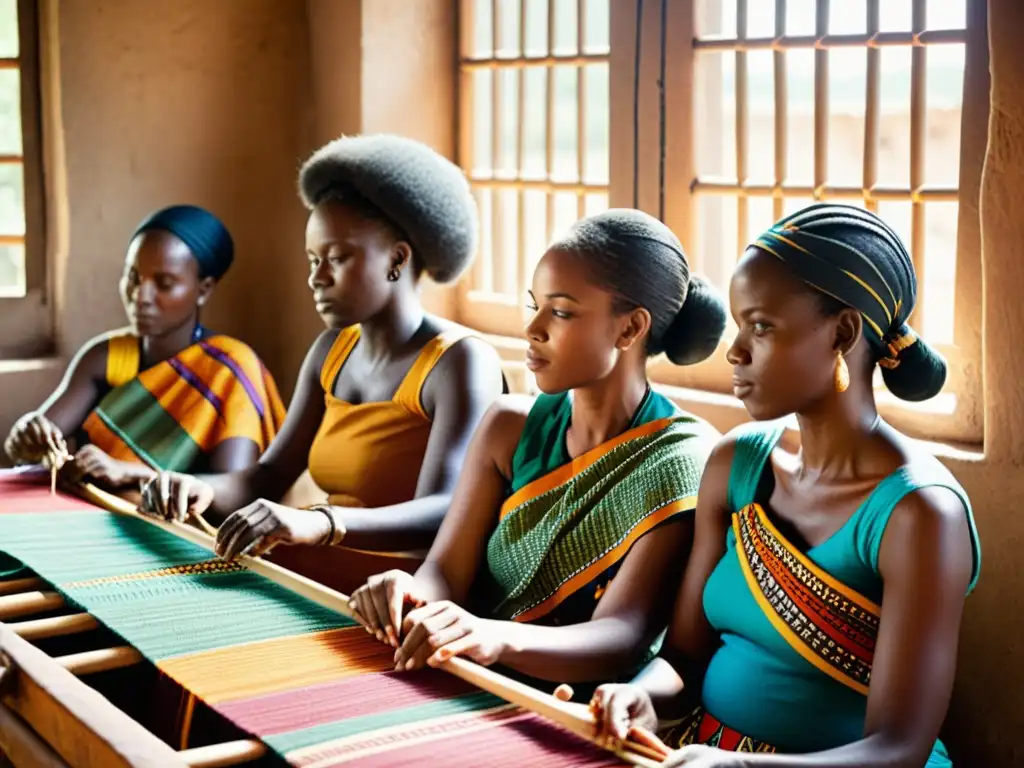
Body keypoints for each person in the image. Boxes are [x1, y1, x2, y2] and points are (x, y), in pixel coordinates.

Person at [588, 204, 982, 767]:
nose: (736, 351)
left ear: (842, 333)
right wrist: (641, 695)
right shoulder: (736, 465)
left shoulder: (919, 514)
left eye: (762, 327)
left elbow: (898, 750)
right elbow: (683, 657)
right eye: (738, 325)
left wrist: (740, 766)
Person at [347, 209, 727, 692]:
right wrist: (411, 593)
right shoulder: (509, 426)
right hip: (461, 672)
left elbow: (622, 636)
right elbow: (445, 570)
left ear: (630, 330)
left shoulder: (682, 458)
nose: (534, 329)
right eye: (536, 307)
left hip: (582, 707)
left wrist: (495, 638)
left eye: (562, 312)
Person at [141, 134, 506, 594]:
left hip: (396, 599)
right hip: (316, 579)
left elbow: (445, 509)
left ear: (396, 259)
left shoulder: (459, 362)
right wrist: (202, 490)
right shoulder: (331, 351)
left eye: (337, 258)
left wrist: (320, 522)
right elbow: (267, 476)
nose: (317, 277)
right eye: (313, 259)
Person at [3, 205, 285, 488]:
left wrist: (130, 473)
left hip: (176, 530)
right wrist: (26, 437)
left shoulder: (229, 371)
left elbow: (233, 493)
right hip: (92, 519)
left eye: (164, 283)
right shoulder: (106, 357)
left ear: (204, 289)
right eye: (134, 277)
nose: (141, 296)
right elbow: (35, 449)